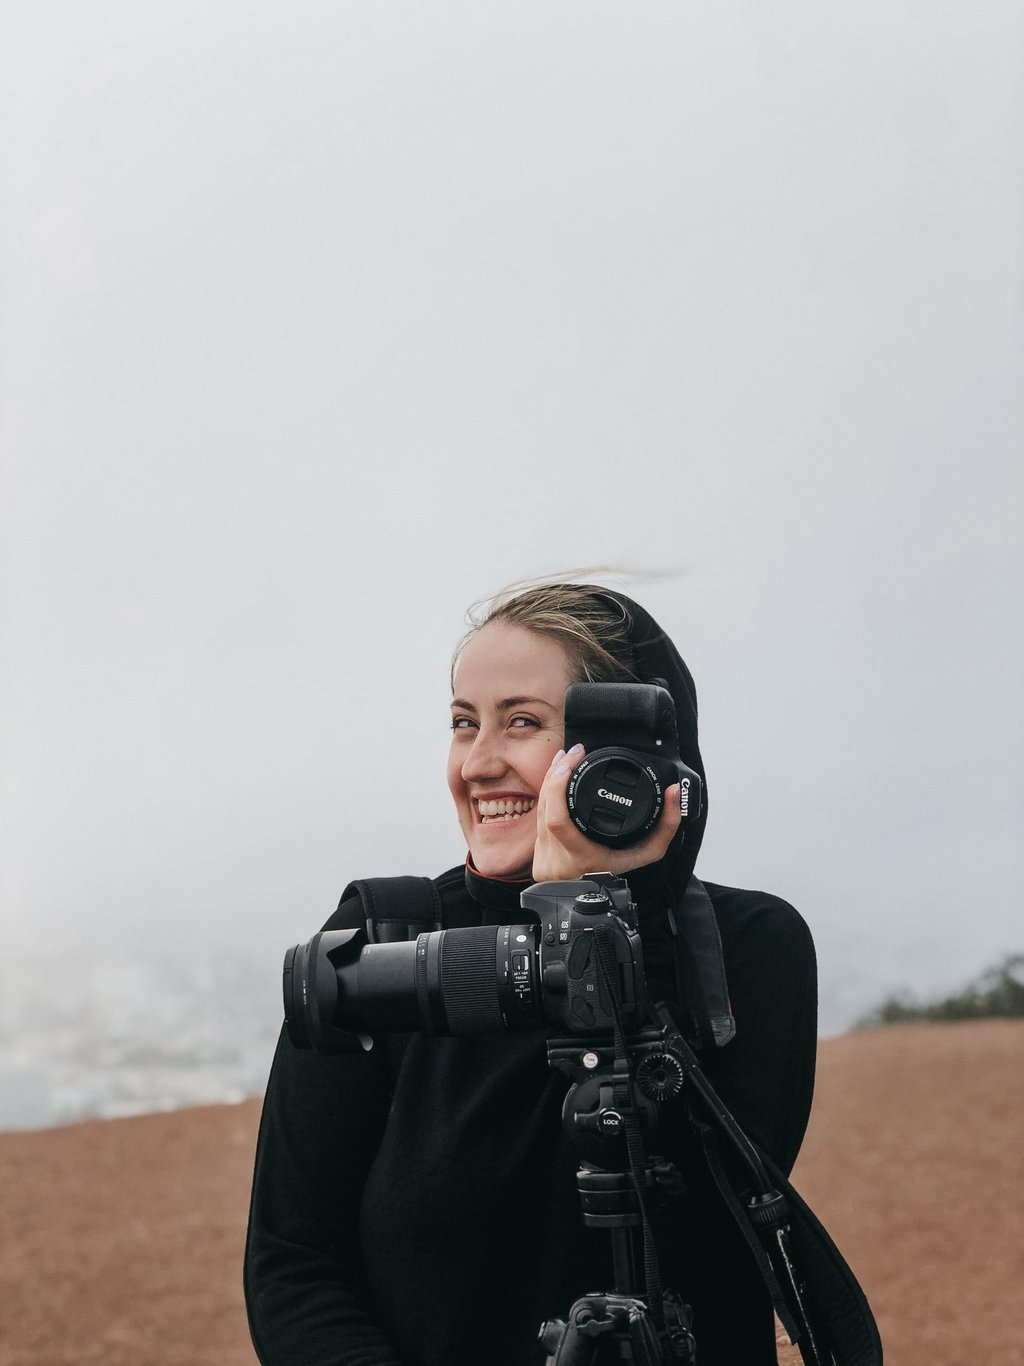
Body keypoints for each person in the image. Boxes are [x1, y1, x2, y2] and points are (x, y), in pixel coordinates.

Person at [244, 583, 818, 1366]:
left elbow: (704, 1240)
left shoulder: (747, 951)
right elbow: (294, 1266)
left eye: (522, 722)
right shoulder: (377, 949)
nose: (478, 764)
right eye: (462, 724)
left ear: (638, 753)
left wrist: (586, 914)